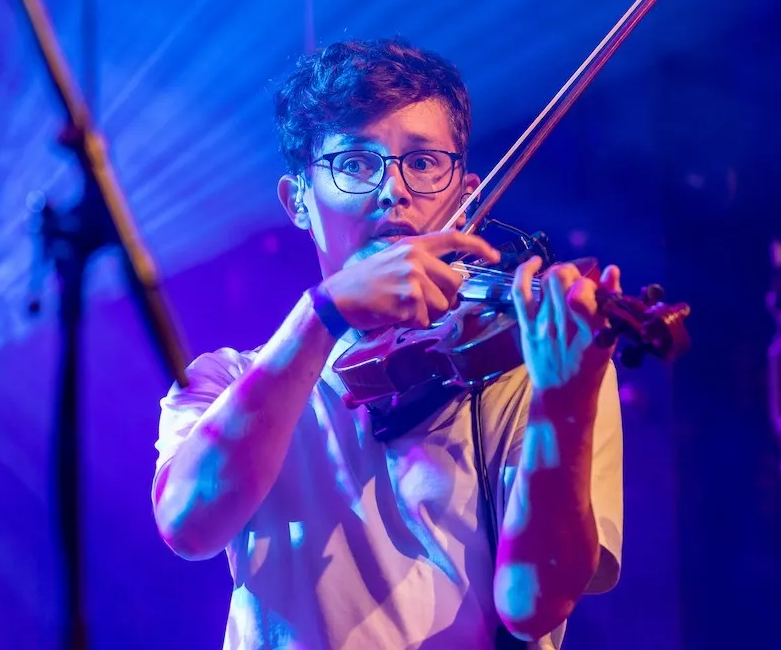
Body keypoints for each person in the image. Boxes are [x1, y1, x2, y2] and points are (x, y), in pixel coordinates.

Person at [151, 37, 624, 650]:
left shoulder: (534, 363)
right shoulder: (225, 382)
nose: (394, 190)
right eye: (354, 163)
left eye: (424, 162)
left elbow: (533, 606)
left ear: (465, 193)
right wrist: (323, 315)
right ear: (298, 202)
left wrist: (565, 400)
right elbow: (188, 525)